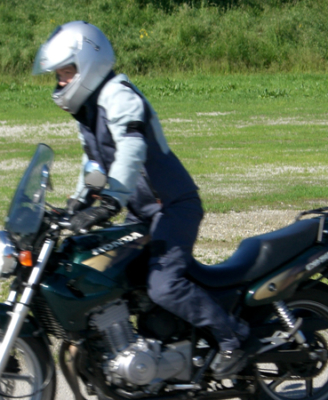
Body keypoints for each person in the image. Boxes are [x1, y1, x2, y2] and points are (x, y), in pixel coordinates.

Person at [32, 21, 250, 379]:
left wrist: (110, 200)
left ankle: (232, 337)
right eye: (57, 75)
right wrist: (76, 203)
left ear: (88, 63)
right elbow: (95, 165)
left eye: (66, 72)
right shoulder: (87, 112)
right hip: (142, 214)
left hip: (173, 207)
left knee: (164, 285)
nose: (60, 82)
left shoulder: (119, 95)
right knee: (107, 272)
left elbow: (132, 149)